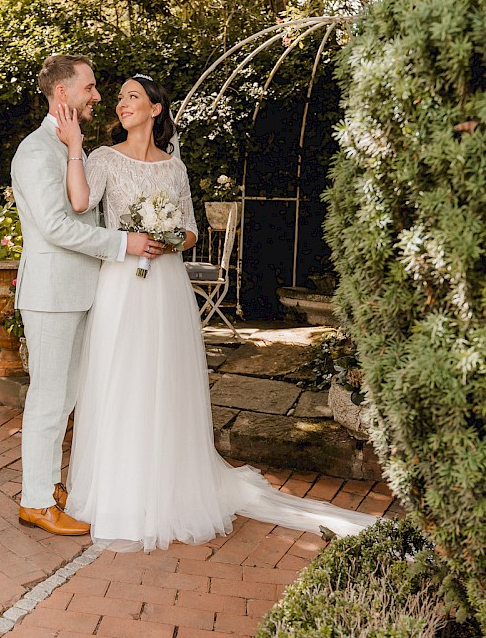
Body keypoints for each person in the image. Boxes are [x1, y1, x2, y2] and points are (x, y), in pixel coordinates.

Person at [54, 74, 379, 551]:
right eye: (120, 97)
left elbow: (188, 231)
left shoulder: (174, 169)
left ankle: (167, 486)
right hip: (121, 284)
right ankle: (118, 490)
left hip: (164, 286)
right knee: (119, 378)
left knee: (164, 380)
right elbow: (80, 202)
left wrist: (166, 239)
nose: (122, 104)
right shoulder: (102, 158)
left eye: (132, 96)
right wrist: (73, 148)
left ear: (156, 109)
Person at [10, 56, 166, 536]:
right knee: (48, 398)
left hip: (84, 291)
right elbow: (57, 227)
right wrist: (124, 244)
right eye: (91, 88)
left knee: (66, 397)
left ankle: (47, 484)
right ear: (63, 95)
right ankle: (35, 501)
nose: (98, 97)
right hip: (52, 294)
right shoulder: (36, 152)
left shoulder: (71, 147)